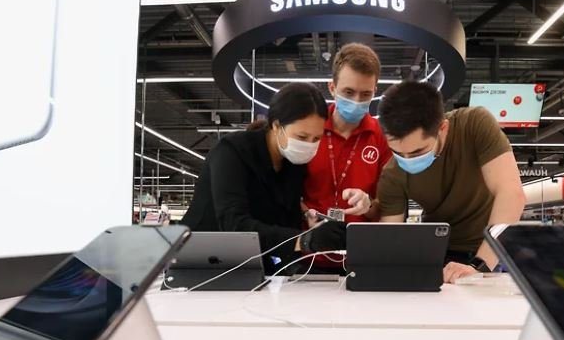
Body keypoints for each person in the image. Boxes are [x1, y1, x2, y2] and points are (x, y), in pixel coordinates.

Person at [181, 83, 346, 273]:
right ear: (276, 125)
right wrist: (303, 240)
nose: (309, 145)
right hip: (202, 264)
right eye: (302, 137)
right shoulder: (231, 152)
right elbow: (234, 224)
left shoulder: (293, 165)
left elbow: (284, 219)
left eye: (316, 139)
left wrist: (307, 217)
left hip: (254, 266)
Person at [376, 81, 526, 283]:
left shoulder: (474, 125)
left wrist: (480, 265)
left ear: (443, 129)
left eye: (418, 151)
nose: (406, 160)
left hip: (487, 249)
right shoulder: (392, 174)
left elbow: (511, 194)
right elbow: (390, 237)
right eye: (397, 152)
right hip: (435, 251)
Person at [303, 42, 392, 224]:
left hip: (361, 239)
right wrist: (305, 213)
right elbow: (287, 192)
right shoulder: (309, 129)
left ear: (375, 91)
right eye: (349, 92)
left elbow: (386, 206)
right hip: (311, 236)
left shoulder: (383, 138)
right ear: (332, 88)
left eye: (365, 94)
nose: (356, 101)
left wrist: (368, 204)